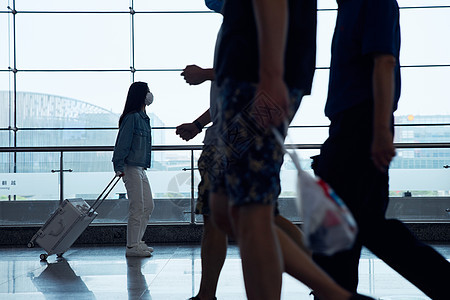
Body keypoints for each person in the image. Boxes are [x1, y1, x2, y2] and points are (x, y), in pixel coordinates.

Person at [209, 0, 374, 299]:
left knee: (249, 210)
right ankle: (337, 295)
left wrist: (271, 73)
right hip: (244, 72)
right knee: (224, 210)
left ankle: (337, 295)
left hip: (255, 76)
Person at [311, 1, 450, 299]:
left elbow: (384, 62)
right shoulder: (348, 6)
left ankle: (335, 293)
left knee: (352, 223)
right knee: (362, 224)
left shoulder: (373, 3)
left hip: (360, 123)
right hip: (348, 125)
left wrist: (380, 131)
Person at [177, 65, 311, 300]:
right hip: (230, 134)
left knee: (250, 215)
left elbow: (258, 72)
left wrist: (206, 74)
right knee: (223, 215)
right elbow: (228, 97)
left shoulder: (253, 30)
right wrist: (199, 124)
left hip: (241, 133)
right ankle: (206, 294)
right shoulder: (237, 35)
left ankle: (327, 279)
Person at [112, 81, 155, 257]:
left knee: (148, 205)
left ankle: (138, 241)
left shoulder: (144, 118)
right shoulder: (132, 118)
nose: (150, 95)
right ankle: (132, 247)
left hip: (140, 168)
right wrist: (119, 166)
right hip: (130, 167)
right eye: (148, 91)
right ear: (141, 95)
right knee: (137, 206)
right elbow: (122, 143)